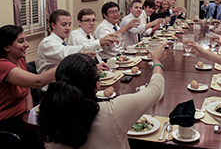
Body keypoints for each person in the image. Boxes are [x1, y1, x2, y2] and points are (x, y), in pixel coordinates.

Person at [37, 44, 166, 149]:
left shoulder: (49, 113)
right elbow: (156, 89)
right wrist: (156, 60)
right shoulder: (113, 112)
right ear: (97, 84)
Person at [0, 25, 56, 148]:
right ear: (6, 47)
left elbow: (27, 91)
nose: (27, 44)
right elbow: (37, 82)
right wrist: (67, 63)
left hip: (22, 117)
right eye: (21, 41)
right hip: (7, 122)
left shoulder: (19, 60)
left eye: (25, 40)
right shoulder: (3, 66)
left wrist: (29, 115)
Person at [35, 9, 116, 74]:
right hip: (52, 87)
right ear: (53, 25)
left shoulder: (62, 42)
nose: (68, 28)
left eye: (69, 24)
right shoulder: (48, 43)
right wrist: (99, 42)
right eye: (64, 25)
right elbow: (67, 53)